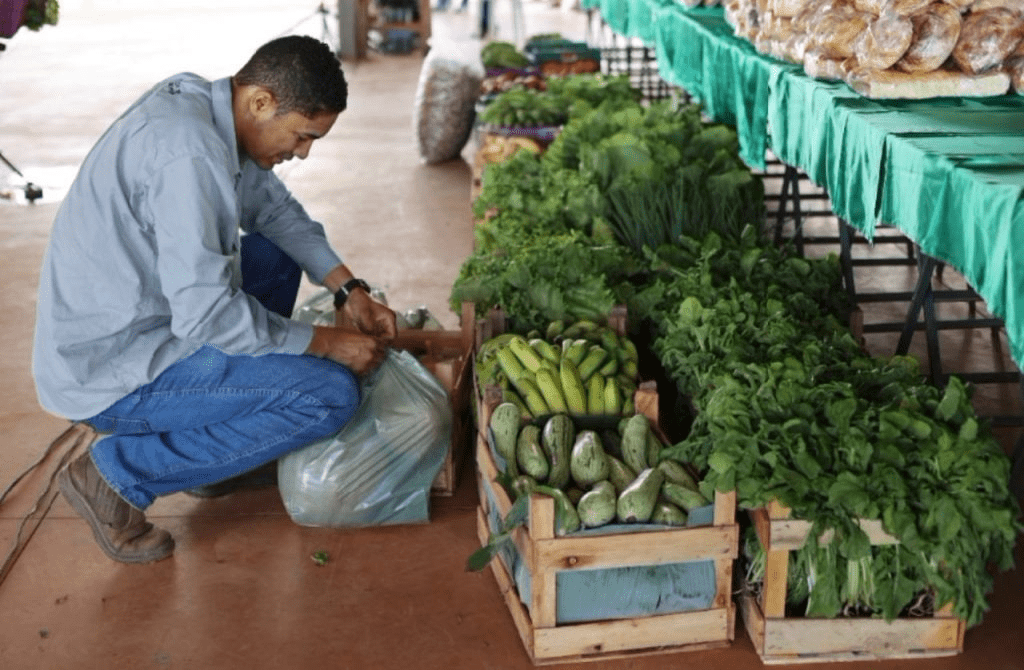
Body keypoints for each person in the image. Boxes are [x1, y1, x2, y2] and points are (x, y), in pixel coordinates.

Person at [32, 35, 397, 565]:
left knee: (271, 257)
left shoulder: (206, 110)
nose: (303, 152)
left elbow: (274, 212)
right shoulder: (189, 155)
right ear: (260, 102)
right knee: (330, 395)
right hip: (114, 372)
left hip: (146, 321)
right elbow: (206, 314)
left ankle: (207, 454)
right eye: (302, 135)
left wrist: (348, 288)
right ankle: (116, 476)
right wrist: (324, 344)